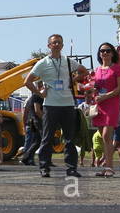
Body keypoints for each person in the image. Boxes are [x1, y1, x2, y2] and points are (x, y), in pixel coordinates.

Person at [23, 33, 87, 178]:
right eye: (54, 43)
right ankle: (44, 167)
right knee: (47, 138)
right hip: (50, 105)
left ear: (62, 45)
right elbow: (27, 81)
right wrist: (40, 94)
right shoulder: (43, 63)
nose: (57, 45)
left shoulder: (68, 61)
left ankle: (71, 168)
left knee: (69, 139)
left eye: (59, 42)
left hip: (68, 104)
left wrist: (73, 80)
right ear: (49, 46)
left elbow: (84, 71)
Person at [88, 42, 120, 178]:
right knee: (102, 137)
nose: (105, 53)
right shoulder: (96, 70)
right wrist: (90, 93)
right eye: (102, 51)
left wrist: (105, 96)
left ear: (113, 53)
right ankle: (105, 166)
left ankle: (109, 167)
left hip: (111, 104)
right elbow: (94, 87)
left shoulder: (117, 69)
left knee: (106, 136)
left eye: (108, 51)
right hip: (99, 105)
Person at [18, 91, 44, 166]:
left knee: (35, 142)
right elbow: (25, 113)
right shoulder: (34, 98)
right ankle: (28, 159)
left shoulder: (33, 98)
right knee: (30, 142)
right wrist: (24, 125)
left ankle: (27, 158)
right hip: (32, 123)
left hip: (33, 123)